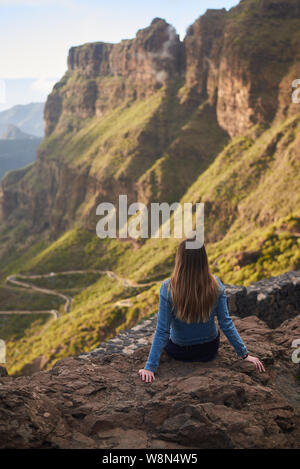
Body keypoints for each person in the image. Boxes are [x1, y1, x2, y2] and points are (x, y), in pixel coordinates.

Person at [138, 238, 265, 383]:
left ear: (180, 259)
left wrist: (150, 367)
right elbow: (226, 323)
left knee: (167, 337)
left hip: (179, 352)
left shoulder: (168, 287)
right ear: (203, 259)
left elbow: (162, 331)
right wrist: (244, 354)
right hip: (209, 350)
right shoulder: (215, 284)